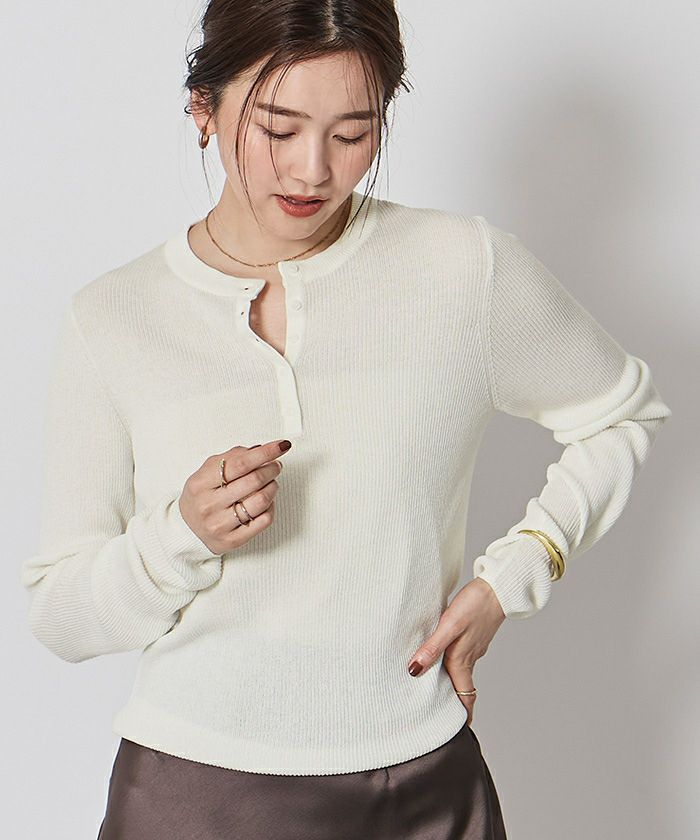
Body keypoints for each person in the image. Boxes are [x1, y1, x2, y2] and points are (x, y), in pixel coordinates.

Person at [20, 1, 672, 838]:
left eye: (353, 133)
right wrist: (181, 534)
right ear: (203, 108)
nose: (313, 171)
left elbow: (621, 414)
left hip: (419, 785)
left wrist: (512, 577)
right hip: (193, 797)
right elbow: (62, 615)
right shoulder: (114, 317)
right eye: (278, 128)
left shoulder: (461, 270)